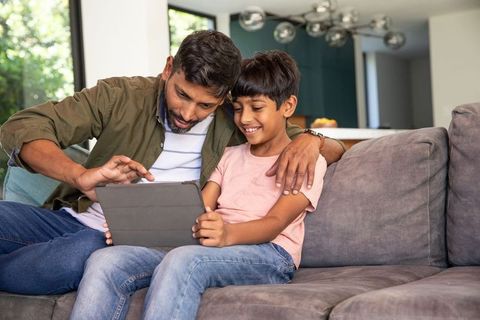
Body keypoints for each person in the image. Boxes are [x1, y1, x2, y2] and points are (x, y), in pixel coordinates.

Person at [0, 30, 343, 295]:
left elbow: (316, 144)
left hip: (117, 241)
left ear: (224, 98)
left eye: (205, 105)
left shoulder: (237, 121)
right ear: (168, 69)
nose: (188, 113)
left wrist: (313, 140)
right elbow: (22, 127)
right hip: (69, 218)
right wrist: (80, 175)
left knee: (80, 257)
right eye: (182, 95)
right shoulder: (121, 96)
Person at [70, 50, 327, 320]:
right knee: (105, 260)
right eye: (238, 108)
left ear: (287, 106)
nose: (245, 119)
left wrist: (227, 234)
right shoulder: (229, 156)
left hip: (271, 254)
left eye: (257, 108)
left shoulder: (305, 162)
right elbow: (198, 207)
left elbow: (276, 222)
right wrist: (136, 230)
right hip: (212, 246)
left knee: (183, 260)